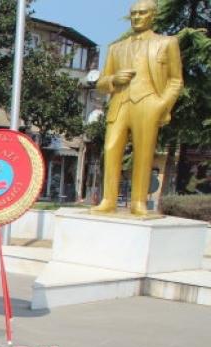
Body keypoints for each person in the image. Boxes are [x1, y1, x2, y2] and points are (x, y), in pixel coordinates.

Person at [93, 0, 183, 216]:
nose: (137, 17)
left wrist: (162, 105)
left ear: (153, 15)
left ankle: (138, 202)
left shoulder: (167, 43)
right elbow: (101, 83)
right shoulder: (116, 48)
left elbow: (175, 80)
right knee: (111, 149)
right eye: (133, 13)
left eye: (142, 13)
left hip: (148, 102)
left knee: (144, 153)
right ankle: (108, 200)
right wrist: (114, 78)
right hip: (119, 104)